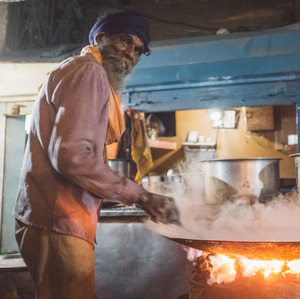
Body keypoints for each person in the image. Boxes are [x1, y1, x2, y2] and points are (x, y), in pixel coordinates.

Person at [13, 11, 180, 299]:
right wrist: (142, 196)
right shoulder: (88, 71)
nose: (130, 52)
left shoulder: (80, 71)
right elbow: (73, 156)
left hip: (53, 220)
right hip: (58, 220)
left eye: (138, 49)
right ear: (100, 38)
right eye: (125, 40)